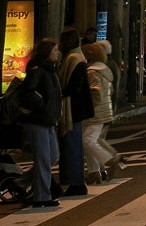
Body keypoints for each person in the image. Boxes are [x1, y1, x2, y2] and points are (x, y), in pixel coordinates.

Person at [18, 38, 63, 208]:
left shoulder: (50, 69)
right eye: (55, 50)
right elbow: (27, 93)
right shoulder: (38, 69)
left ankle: (21, 181)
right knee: (44, 158)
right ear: (47, 52)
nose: (57, 53)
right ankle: (42, 197)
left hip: (48, 119)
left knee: (53, 156)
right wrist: (42, 106)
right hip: (38, 119)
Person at [57, 27, 92, 197]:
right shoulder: (75, 57)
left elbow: (74, 86)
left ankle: (76, 182)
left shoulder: (74, 59)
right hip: (74, 108)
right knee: (72, 145)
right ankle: (74, 181)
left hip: (73, 109)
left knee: (72, 146)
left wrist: (60, 93)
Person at [82, 42, 121, 184]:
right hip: (105, 110)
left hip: (96, 112)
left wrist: (89, 107)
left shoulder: (92, 72)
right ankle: (94, 172)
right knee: (92, 140)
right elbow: (110, 91)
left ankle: (111, 160)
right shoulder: (105, 70)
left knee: (88, 140)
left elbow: (96, 92)